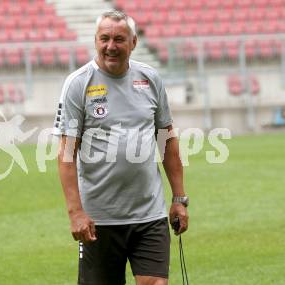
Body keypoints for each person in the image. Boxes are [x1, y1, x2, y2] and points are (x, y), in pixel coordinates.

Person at [53, 10, 189, 285]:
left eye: (119, 39)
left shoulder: (149, 78)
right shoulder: (78, 83)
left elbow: (167, 139)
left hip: (148, 214)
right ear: (95, 41)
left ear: (134, 42)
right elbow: (67, 154)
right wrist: (75, 212)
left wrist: (179, 199)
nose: (111, 46)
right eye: (104, 39)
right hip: (99, 219)